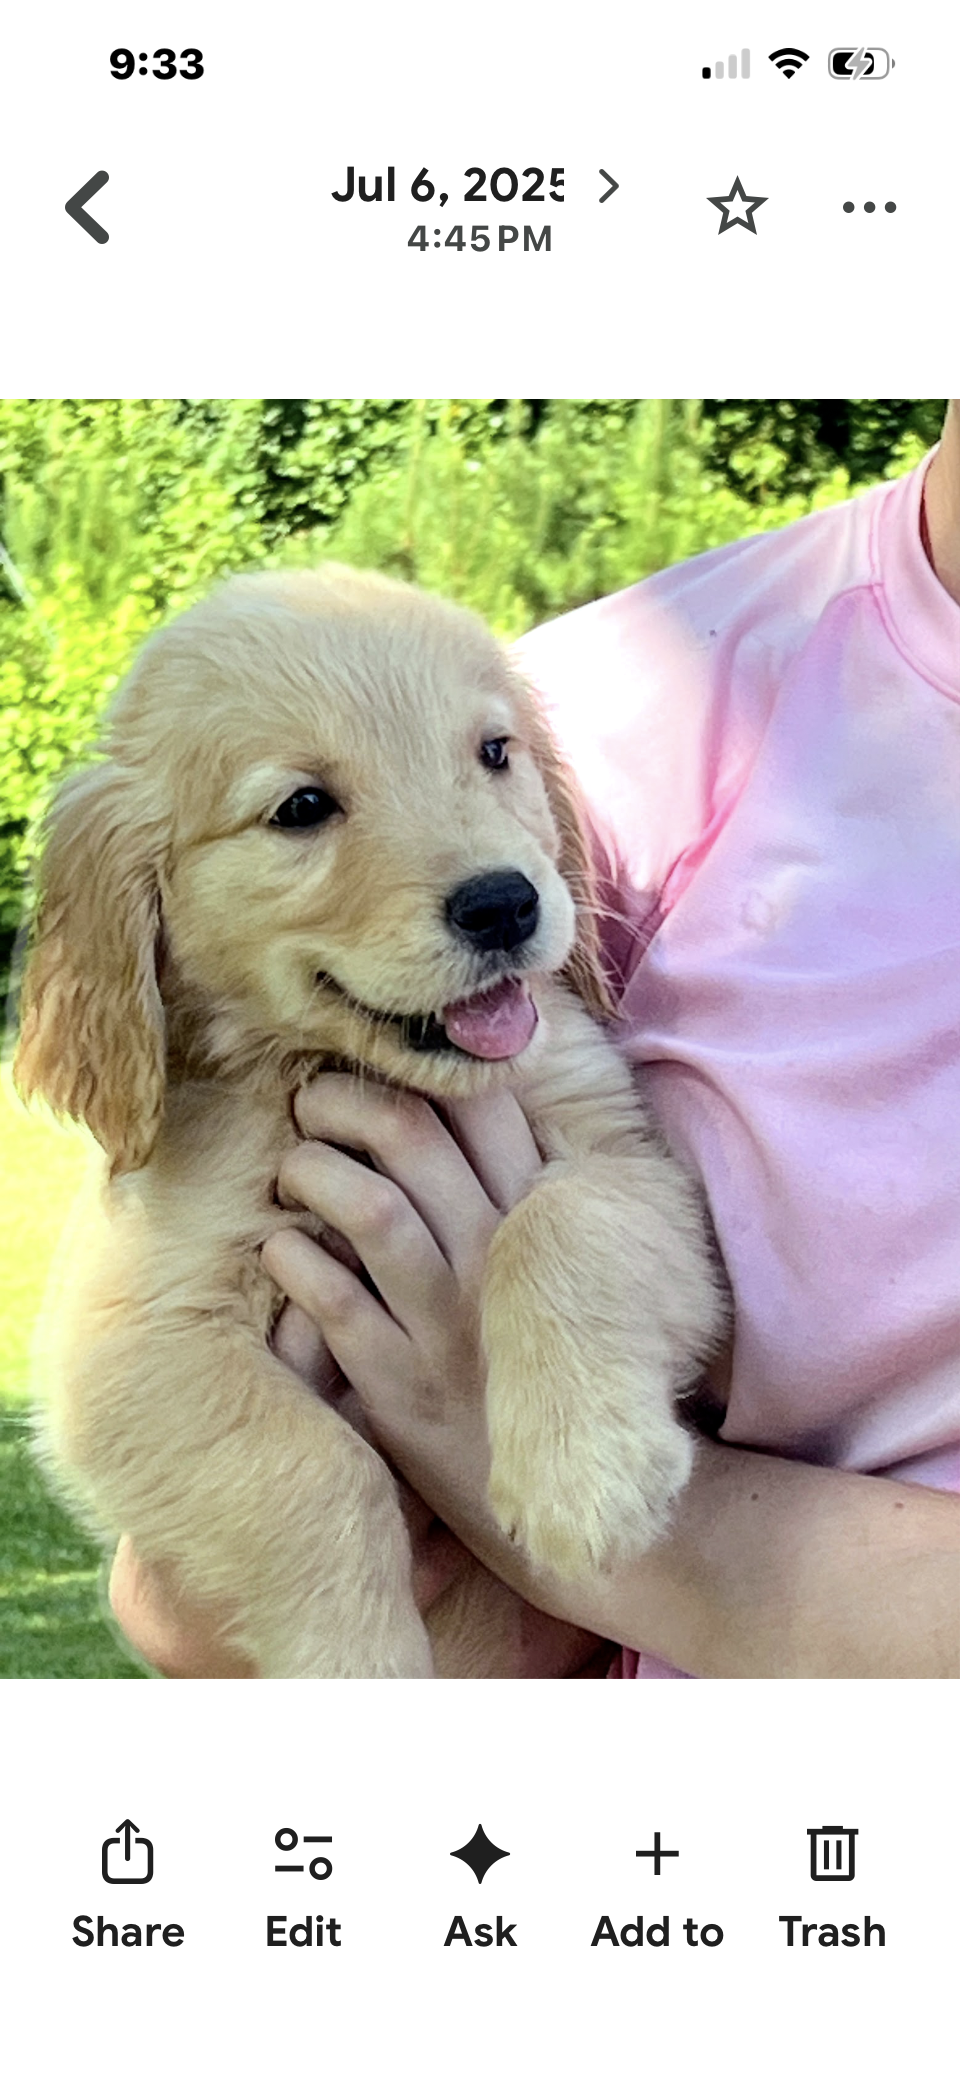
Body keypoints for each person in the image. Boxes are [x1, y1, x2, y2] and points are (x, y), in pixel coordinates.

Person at [110, 404, 960, 1680]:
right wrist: (309, 1541)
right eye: (303, 808)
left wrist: (567, 1474)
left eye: (493, 758)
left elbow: (623, 1197)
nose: (490, 871)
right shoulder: (645, 694)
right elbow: (159, 1529)